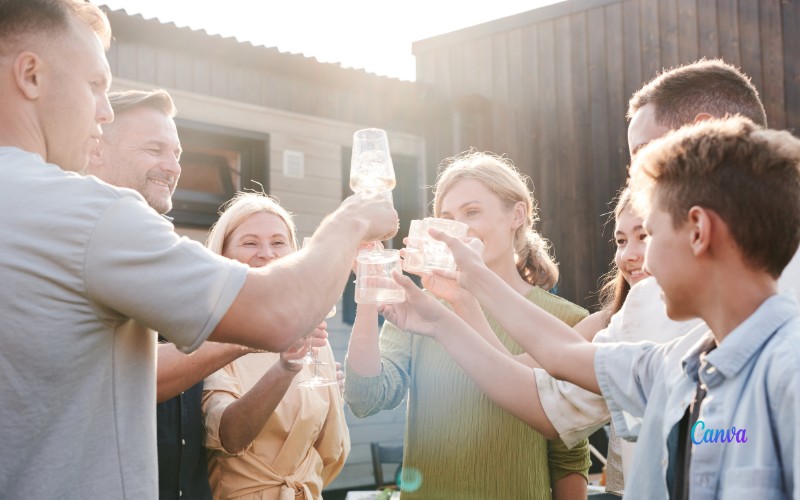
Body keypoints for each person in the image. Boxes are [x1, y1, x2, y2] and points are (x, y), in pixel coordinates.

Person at [0, 2, 397, 498]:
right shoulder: (88, 213)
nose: (103, 111)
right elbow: (280, 312)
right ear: (31, 75)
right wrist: (356, 216)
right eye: (95, 85)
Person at [384, 117, 800, 499]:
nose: (642, 262)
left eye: (651, 234)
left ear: (698, 232)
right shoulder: (675, 366)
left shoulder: (788, 376)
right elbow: (561, 356)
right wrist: (444, 314)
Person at [344, 151, 591, 499]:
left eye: (472, 212)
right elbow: (365, 398)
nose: (458, 229)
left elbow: (569, 457)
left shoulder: (567, 321)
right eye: (446, 217)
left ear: (517, 215)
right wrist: (369, 289)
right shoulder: (422, 308)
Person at [83, 88, 260, 500]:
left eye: (177, 153)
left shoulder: (166, 253)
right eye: (154, 149)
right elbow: (134, 377)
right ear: (96, 148)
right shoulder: (84, 241)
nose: (173, 166)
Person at [201, 192, 349, 499]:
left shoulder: (309, 328)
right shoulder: (207, 332)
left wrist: (335, 396)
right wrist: (285, 370)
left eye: (279, 242)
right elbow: (230, 434)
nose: (267, 253)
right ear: (223, 256)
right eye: (250, 242)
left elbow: (329, 445)